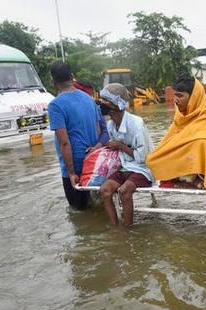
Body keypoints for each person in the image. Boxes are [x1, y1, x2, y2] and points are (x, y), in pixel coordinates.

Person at [146, 73, 206, 190]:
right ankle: (183, 177)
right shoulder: (180, 116)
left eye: (180, 96)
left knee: (201, 142)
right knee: (152, 159)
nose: (175, 100)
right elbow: (169, 141)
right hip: (186, 165)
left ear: (193, 97)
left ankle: (199, 177)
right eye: (174, 96)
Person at [48, 62, 101, 209]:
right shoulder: (89, 99)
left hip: (75, 166)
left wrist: (71, 173)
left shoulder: (55, 105)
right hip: (93, 162)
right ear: (72, 77)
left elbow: (64, 143)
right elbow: (97, 130)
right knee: (98, 208)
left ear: (53, 82)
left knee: (79, 214)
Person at [99, 83, 154, 227]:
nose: (102, 104)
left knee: (124, 191)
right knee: (104, 190)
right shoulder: (111, 125)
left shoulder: (136, 124)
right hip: (124, 167)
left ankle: (128, 230)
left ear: (117, 105)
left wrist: (120, 146)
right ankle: (115, 230)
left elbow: (143, 157)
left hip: (142, 169)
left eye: (106, 101)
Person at [73, 79, 110, 151]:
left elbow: (105, 131)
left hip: (92, 150)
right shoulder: (69, 107)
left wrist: (97, 146)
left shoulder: (95, 108)